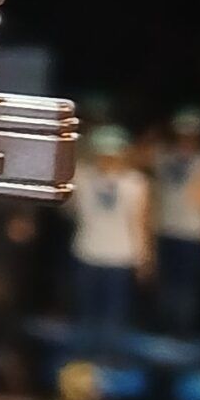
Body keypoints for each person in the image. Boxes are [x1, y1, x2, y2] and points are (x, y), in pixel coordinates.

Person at [70, 124, 148, 350]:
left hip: (119, 257)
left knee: (113, 313)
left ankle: (106, 357)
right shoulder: (82, 176)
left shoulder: (135, 183)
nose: (108, 158)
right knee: (88, 311)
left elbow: (139, 223)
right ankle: (86, 357)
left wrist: (142, 258)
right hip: (89, 252)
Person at [151, 107, 200, 337]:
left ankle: (182, 331)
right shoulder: (163, 155)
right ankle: (163, 327)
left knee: (187, 287)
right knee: (165, 282)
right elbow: (136, 156)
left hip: (193, 232)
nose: (187, 138)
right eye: (182, 133)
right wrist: (153, 135)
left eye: (192, 134)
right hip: (165, 227)